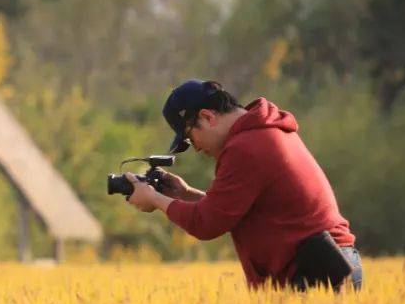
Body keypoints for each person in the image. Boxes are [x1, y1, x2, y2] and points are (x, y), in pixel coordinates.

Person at [124, 79, 362, 291]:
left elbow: (207, 223)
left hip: (318, 272)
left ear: (208, 117)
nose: (195, 148)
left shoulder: (246, 147)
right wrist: (184, 195)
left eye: (188, 138)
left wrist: (155, 199)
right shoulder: (263, 133)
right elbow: (234, 212)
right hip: (327, 264)